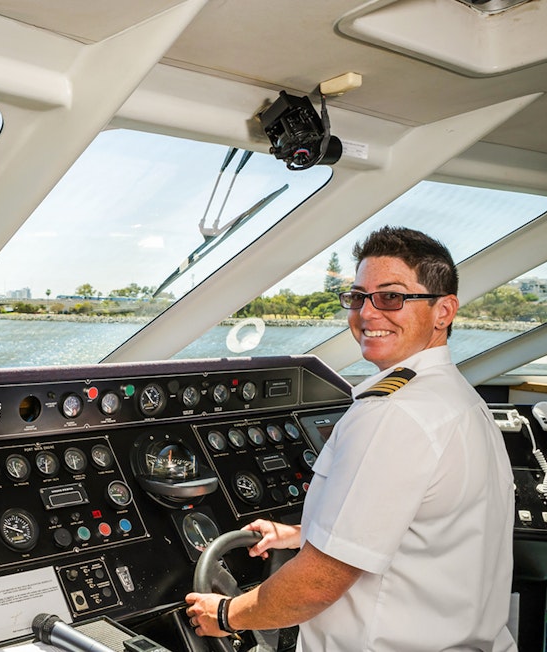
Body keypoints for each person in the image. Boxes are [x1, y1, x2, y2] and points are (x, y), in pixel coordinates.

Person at [185, 226, 516, 650]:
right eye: (358, 297)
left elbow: (318, 584)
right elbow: (412, 526)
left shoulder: (393, 414)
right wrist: (300, 534)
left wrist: (229, 615)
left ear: (443, 311)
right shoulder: (457, 398)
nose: (368, 313)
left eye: (391, 297)